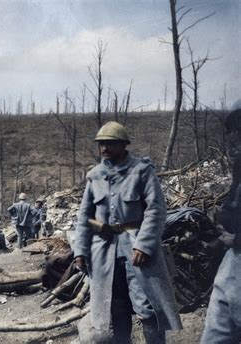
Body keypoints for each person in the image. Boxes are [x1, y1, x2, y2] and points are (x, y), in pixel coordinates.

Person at [73, 121, 182, 343]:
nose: (104, 148)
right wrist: (80, 251)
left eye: (110, 144)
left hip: (136, 249)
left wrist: (144, 244)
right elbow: (85, 216)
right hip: (105, 253)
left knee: (148, 307)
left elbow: (156, 209)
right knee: (116, 307)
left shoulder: (142, 171)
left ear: (124, 145)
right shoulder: (95, 175)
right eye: (101, 144)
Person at [201, 100, 241, 343]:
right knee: (215, 335)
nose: (238, 134)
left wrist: (237, 238)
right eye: (237, 128)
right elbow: (233, 204)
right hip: (233, 262)